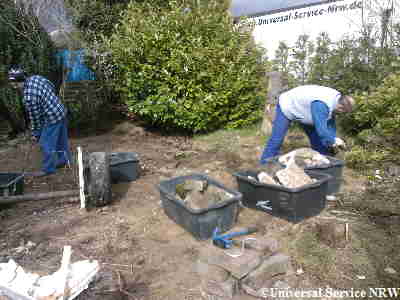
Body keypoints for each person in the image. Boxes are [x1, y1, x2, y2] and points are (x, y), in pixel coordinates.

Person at [260, 84, 355, 165]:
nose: (342, 114)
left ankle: (323, 166)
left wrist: (333, 139)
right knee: (277, 139)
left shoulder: (337, 99)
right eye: (343, 112)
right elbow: (322, 131)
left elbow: (330, 122)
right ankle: (264, 165)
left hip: (306, 112)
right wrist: (333, 140)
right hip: (288, 105)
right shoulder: (321, 105)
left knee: (319, 143)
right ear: (340, 107)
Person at [8, 66, 71, 177]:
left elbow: (35, 117)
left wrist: (36, 133)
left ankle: (48, 169)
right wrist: (49, 99)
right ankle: (64, 161)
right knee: (62, 140)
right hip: (60, 110)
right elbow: (51, 85)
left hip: (52, 117)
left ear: (21, 80)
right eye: (13, 84)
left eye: (16, 84)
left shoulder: (28, 96)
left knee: (46, 143)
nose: (15, 87)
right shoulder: (35, 78)